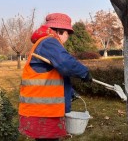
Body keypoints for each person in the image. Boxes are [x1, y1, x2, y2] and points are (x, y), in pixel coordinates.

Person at [18, 13, 92, 141]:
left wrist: (69, 93)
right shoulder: (49, 42)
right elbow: (65, 63)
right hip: (43, 111)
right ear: (59, 31)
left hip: (44, 110)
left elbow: (54, 76)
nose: (68, 37)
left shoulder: (46, 44)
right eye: (67, 33)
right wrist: (84, 72)